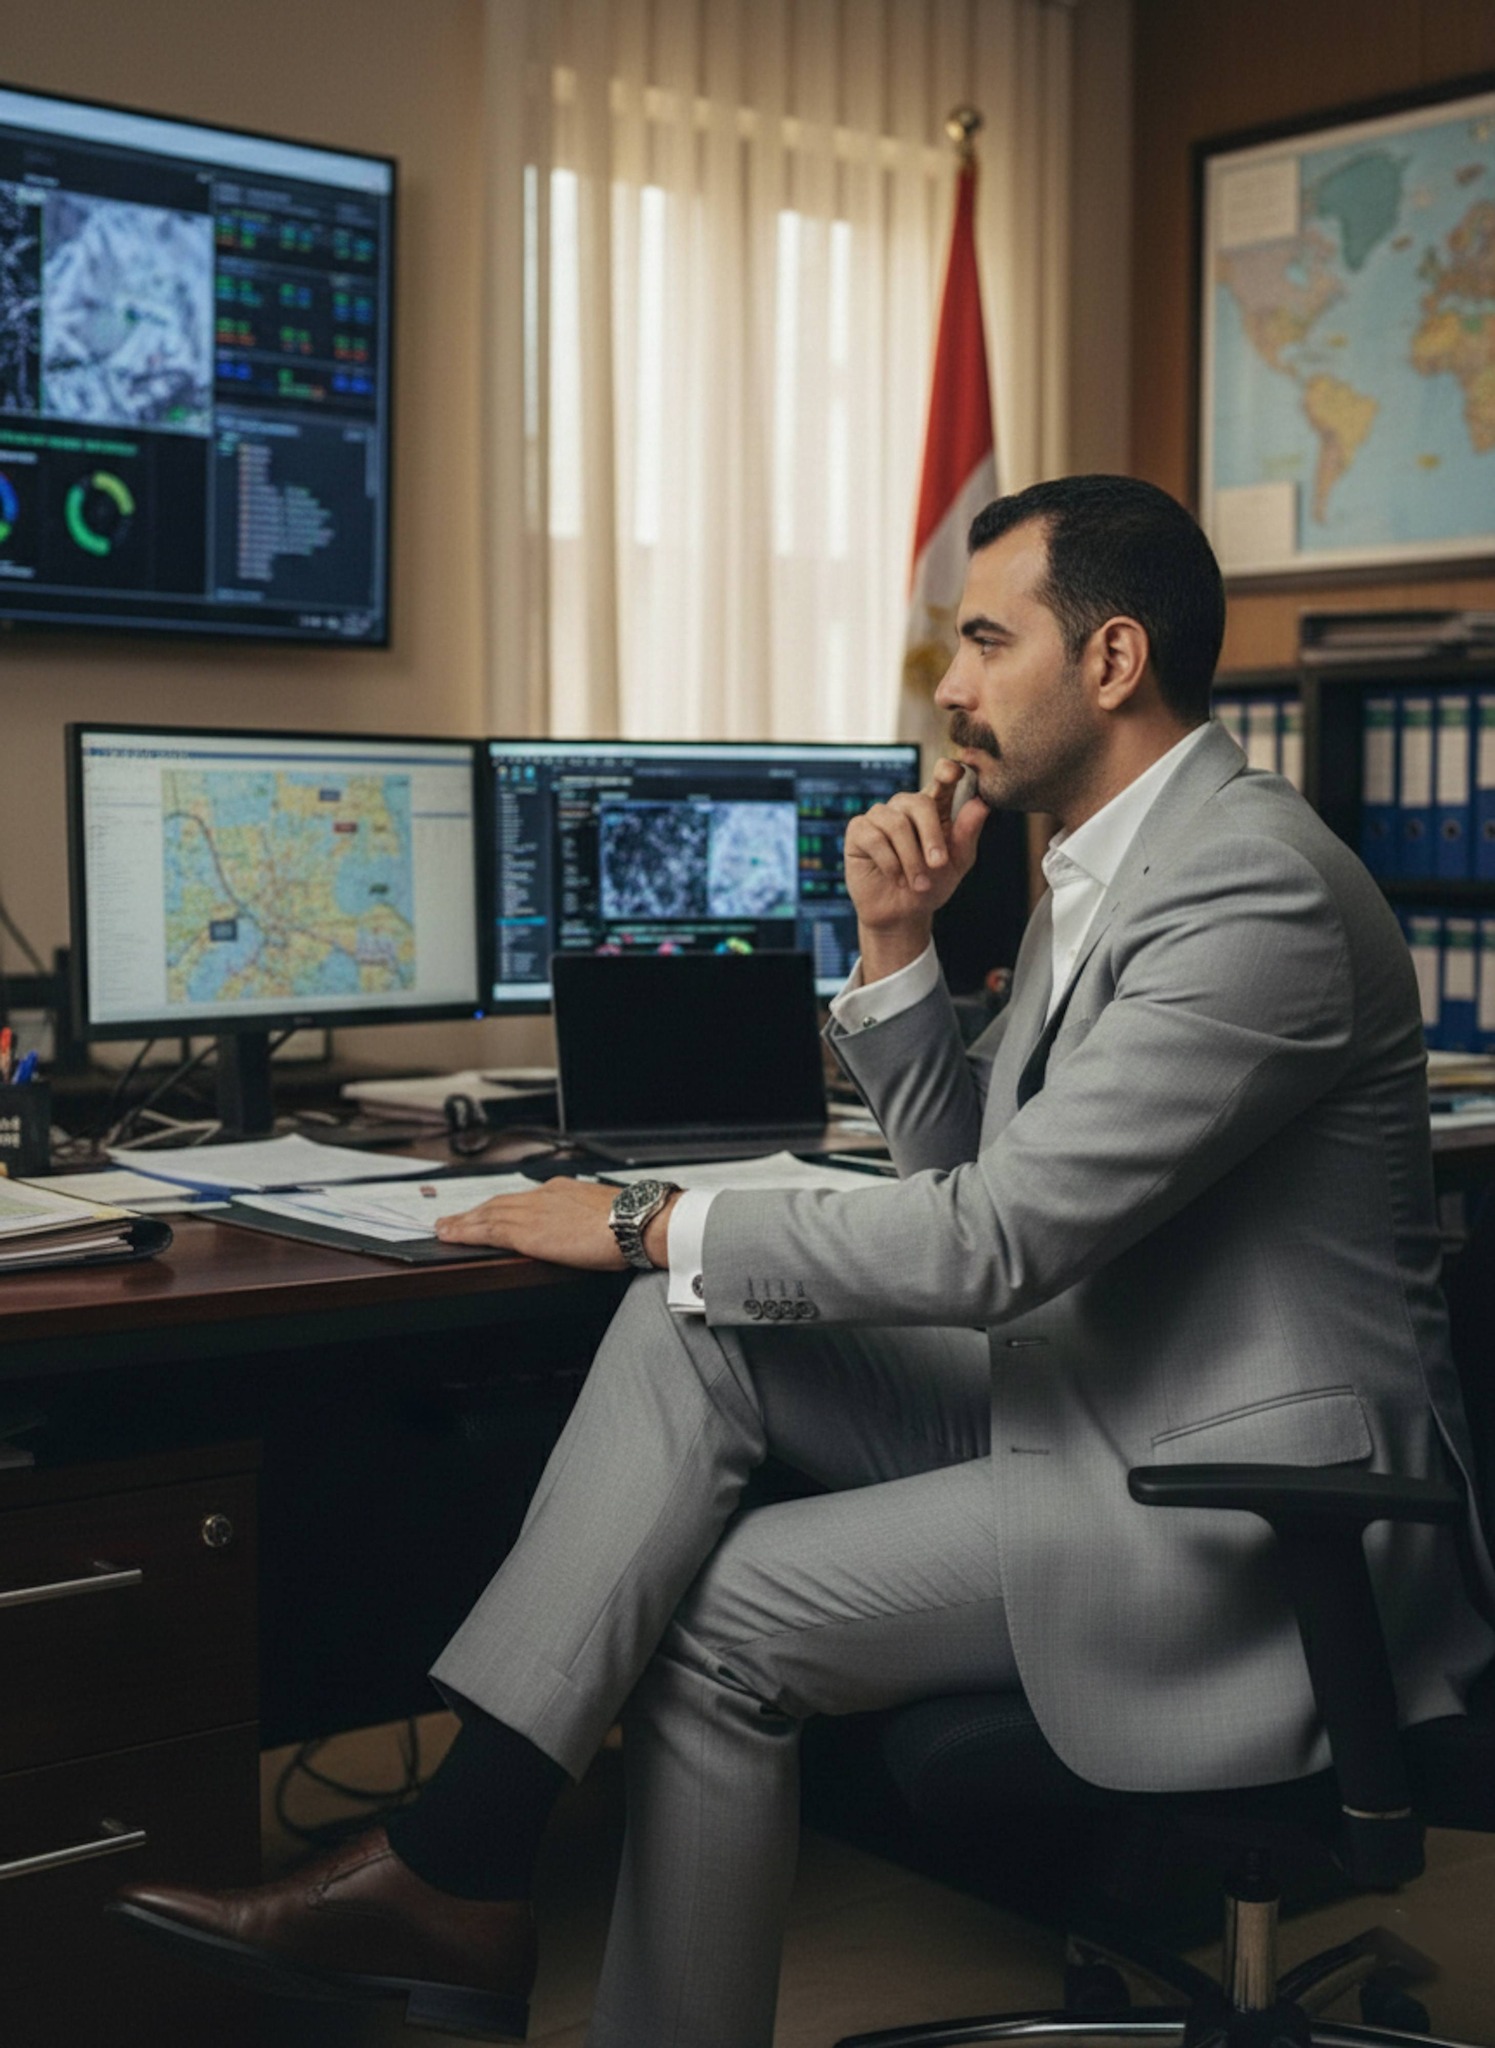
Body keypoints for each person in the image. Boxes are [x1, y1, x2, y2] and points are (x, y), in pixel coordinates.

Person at [113, 476, 1494, 2048]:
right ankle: (462, 1858)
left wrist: (645, 1212)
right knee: (687, 1326)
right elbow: (988, 1189)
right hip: (1106, 1407)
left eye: (985, 640)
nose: (951, 688)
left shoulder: (1255, 887)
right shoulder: (1103, 867)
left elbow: (993, 1245)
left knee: (726, 1603)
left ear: (1113, 661)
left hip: (1243, 1510)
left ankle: (470, 1883)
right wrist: (901, 951)